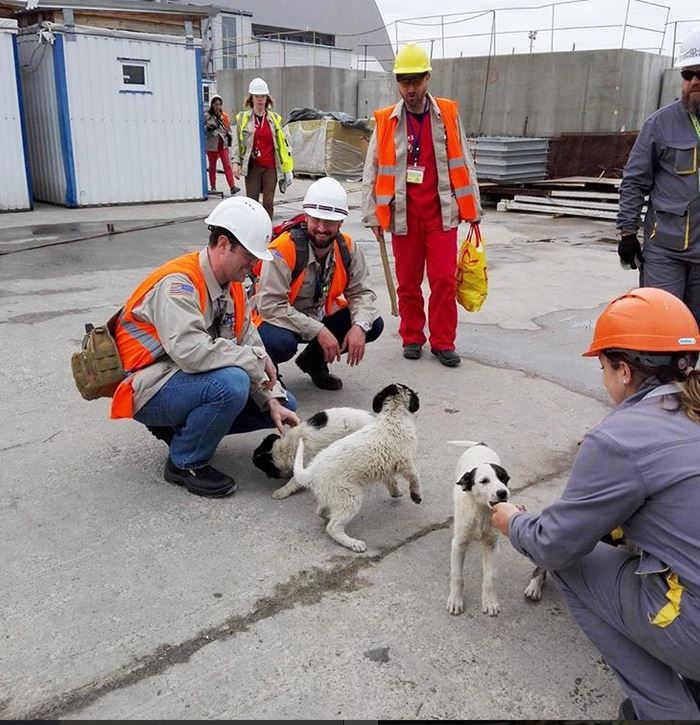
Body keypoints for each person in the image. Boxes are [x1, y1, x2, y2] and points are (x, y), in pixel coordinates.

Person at [491, 287, 700, 720]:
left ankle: (666, 710)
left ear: (623, 371)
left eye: (603, 367)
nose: (603, 378)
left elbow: (555, 545)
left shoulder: (619, 440)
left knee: (569, 562)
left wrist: (515, 524)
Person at [109, 197, 299, 498]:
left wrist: (271, 398)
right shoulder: (178, 284)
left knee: (285, 403)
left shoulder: (233, 286)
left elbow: (249, 341)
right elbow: (192, 352)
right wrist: (253, 360)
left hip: (181, 380)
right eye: (249, 257)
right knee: (231, 383)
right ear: (223, 244)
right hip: (146, 388)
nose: (253, 267)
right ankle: (185, 462)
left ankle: (182, 430)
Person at [361, 43, 481, 368]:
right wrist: (372, 214)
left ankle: (443, 341)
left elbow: (464, 162)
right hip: (403, 216)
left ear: (428, 78)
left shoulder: (447, 115)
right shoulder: (387, 120)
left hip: (442, 212)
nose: (410, 89)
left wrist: (473, 210)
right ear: (397, 82)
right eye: (404, 82)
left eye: (416, 81)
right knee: (408, 281)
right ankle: (412, 336)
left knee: (443, 279)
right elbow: (371, 169)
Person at [254, 177, 383, 391]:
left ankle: (312, 361)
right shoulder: (282, 250)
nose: (322, 228)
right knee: (280, 342)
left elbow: (361, 292)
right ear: (306, 217)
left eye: (330, 222)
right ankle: (269, 373)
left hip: (317, 314)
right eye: (316, 220)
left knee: (372, 324)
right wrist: (319, 331)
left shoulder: (347, 247)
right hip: (279, 319)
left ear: (341, 222)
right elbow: (270, 306)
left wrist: (359, 326)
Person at [617, 28, 700, 324]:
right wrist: (627, 233)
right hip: (666, 250)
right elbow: (634, 181)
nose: (693, 82)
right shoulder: (659, 124)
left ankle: (688, 373)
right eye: (687, 74)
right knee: (661, 325)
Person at [232, 77, 294, 220]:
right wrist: (235, 163)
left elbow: (284, 145)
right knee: (252, 203)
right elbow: (236, 143)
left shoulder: (275, 119)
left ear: (267, 98)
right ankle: (253, 230)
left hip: (270, 167)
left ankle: (267, 231)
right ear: (251, 98)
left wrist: (288, 169)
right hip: (253, 166)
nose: (260, 99)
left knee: (268, 202)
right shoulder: (243, 118)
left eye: (263, 96)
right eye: (257, 96)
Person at [204, 94, 240, 197]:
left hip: (222, 144)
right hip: (211, 146)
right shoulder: (206, 116)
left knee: (227, 165)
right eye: (216, 104)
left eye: (219, 105)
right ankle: (213, 186)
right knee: (212, 166)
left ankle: (232, 186)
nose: (218, 107)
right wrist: (208, 128)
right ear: (212, 105)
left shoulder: (223, 116)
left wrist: (229, 139)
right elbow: (202, 129)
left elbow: (228, 129)